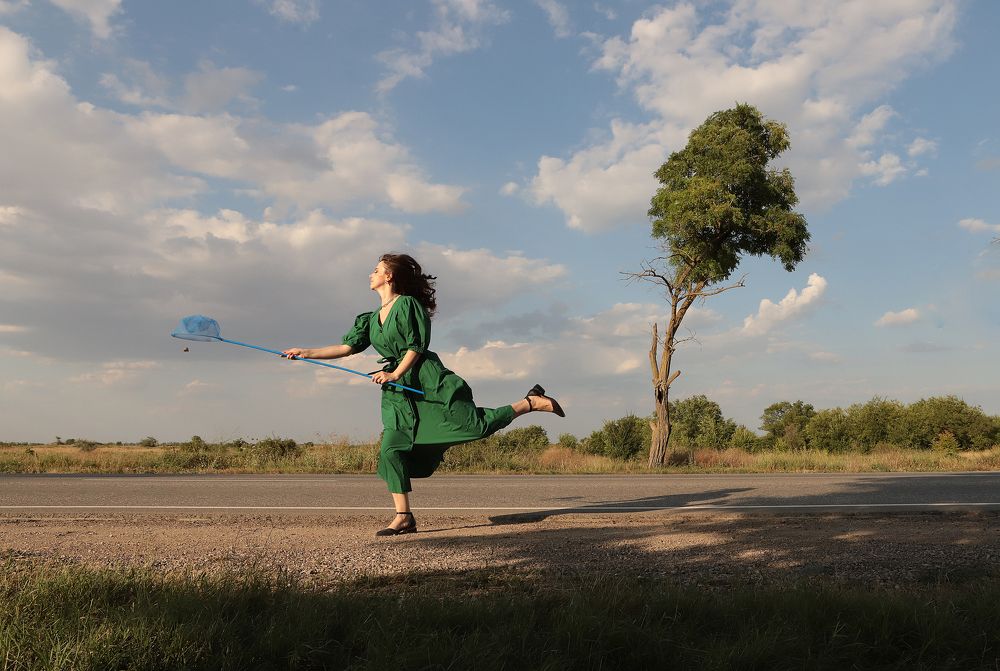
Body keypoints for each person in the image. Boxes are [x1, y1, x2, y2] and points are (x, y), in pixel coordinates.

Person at [283, 253, 565, 536]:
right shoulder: (369, 319)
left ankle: (528, 403)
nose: (371, 274)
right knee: (391, 450)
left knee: (474, 426)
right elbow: (346, 348)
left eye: (376, 270)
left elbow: (416, 346)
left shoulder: (407, 305)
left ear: (389, 276)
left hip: (425, 381)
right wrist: (305, 352)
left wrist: (395, 373)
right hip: (397, 395)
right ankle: (404, 517)